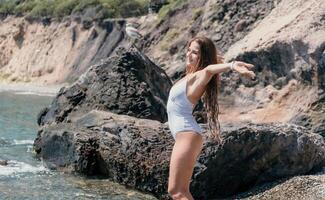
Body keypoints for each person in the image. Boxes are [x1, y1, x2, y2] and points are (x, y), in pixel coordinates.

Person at [166, 36, 256, 200]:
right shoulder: (190, 75)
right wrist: (221, 61)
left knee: (177, 192)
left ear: (203, 57)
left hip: (187, 135)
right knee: (179, 191)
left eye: (195, 52)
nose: (189, 54)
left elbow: (209, 69)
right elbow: (212, 64)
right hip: (185, 135)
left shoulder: (199, 76)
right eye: (189, 50)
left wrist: (232, 65)